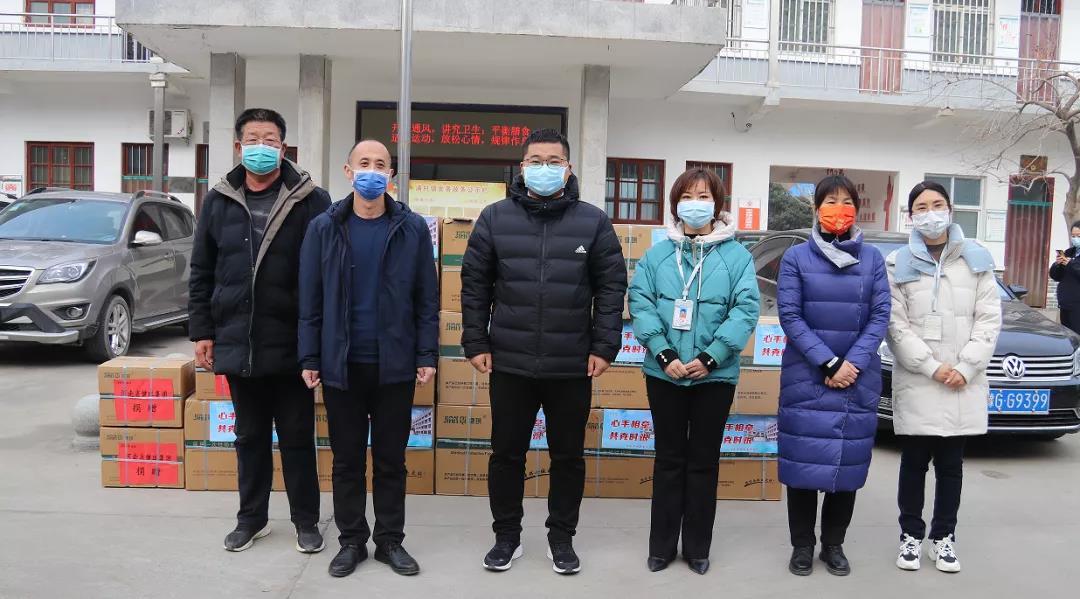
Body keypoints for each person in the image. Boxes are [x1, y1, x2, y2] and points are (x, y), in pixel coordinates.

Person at [460, 128, 627, 575]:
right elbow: (474, 285)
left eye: (554, 162)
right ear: (522, 168)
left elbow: (611, 288)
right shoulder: (494, 218)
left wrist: (604, 345)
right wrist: (475, 340)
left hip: (571, 363)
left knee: (567, 457)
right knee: (506, 454)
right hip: (509, 361)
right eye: (536, 161)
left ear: (568, 169)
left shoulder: (593, 222)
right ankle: (506, 537)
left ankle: (561, 538)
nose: (544, 169)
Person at [188, 108, 331, 554]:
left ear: (284, 148)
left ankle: (306, 521)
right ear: (238, 147)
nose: (262, 147)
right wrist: (202, 331)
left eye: (270, 140)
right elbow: (202, 270)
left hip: (292, 342)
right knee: (249, 437)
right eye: (253, 139)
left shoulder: (312, 200)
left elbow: (326, 273)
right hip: (239, 338)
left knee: (297, 438)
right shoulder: (218, 201)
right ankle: (251, 519)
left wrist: (317, 341)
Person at [298, 140, 438, 578]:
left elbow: (426, 299)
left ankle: (390, 540)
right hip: (342, 364)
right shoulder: (324, 227)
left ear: (391, 174)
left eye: (381, 164)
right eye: (364, 163)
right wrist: (310, 355)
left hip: (394, 364)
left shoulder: (411, 228)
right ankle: (352, 541)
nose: (372, 171)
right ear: (348, 170)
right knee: (347, 460)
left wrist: (426, 353)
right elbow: (310, 299)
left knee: (392, 460)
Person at [628, 168, 760, 575]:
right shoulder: (657, 255)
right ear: (675, 204)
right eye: (687, 196)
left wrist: (711, 357)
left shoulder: (737, 256)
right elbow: (641, 302)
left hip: (714, 376)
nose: (695, 204)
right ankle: (662, 547)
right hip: (664, 373)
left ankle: (698, 548)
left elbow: (745, 309)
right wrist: (663, 353)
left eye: (704, 196)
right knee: (668, 460)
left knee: (703, 461)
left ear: (717, 204)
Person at [775, 174, 891, 577]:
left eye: (846, 202)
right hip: (807, 374)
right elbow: (790, 315)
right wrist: (828, 363)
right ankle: (802, 546)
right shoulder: (796, 258)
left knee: (848, 465)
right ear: (816, 208)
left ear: (856, 209)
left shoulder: (873, 259)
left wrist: (851, 363)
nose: (838, 209)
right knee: (803, 464)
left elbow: (880, 315)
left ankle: (834, 545)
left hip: (856, 376)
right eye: (830, 201)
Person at [886, 180, 1001, 574]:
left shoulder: (976, 258)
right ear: (911, 216)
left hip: (962, 381)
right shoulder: (897, 263)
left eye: (937, 204)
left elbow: (989, 320)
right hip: (920, 378)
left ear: (950, 209)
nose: (930, 213)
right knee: (914, 463)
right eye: (921, 207)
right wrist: (931, 366)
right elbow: (895, 326)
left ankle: (943, 537)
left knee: (951, 466)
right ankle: (911, 535)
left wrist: (966, 367)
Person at [1049, 220, 1080, 335]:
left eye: (1078, 236)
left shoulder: (1071, 260)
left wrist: (1070, 264)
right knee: (1067, 335)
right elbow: (1056, 276)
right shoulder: (1069, 252)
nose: (1075, 239)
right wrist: (1057, 264)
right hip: (1065, 303)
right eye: (1073, 236)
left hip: (1077, 305)